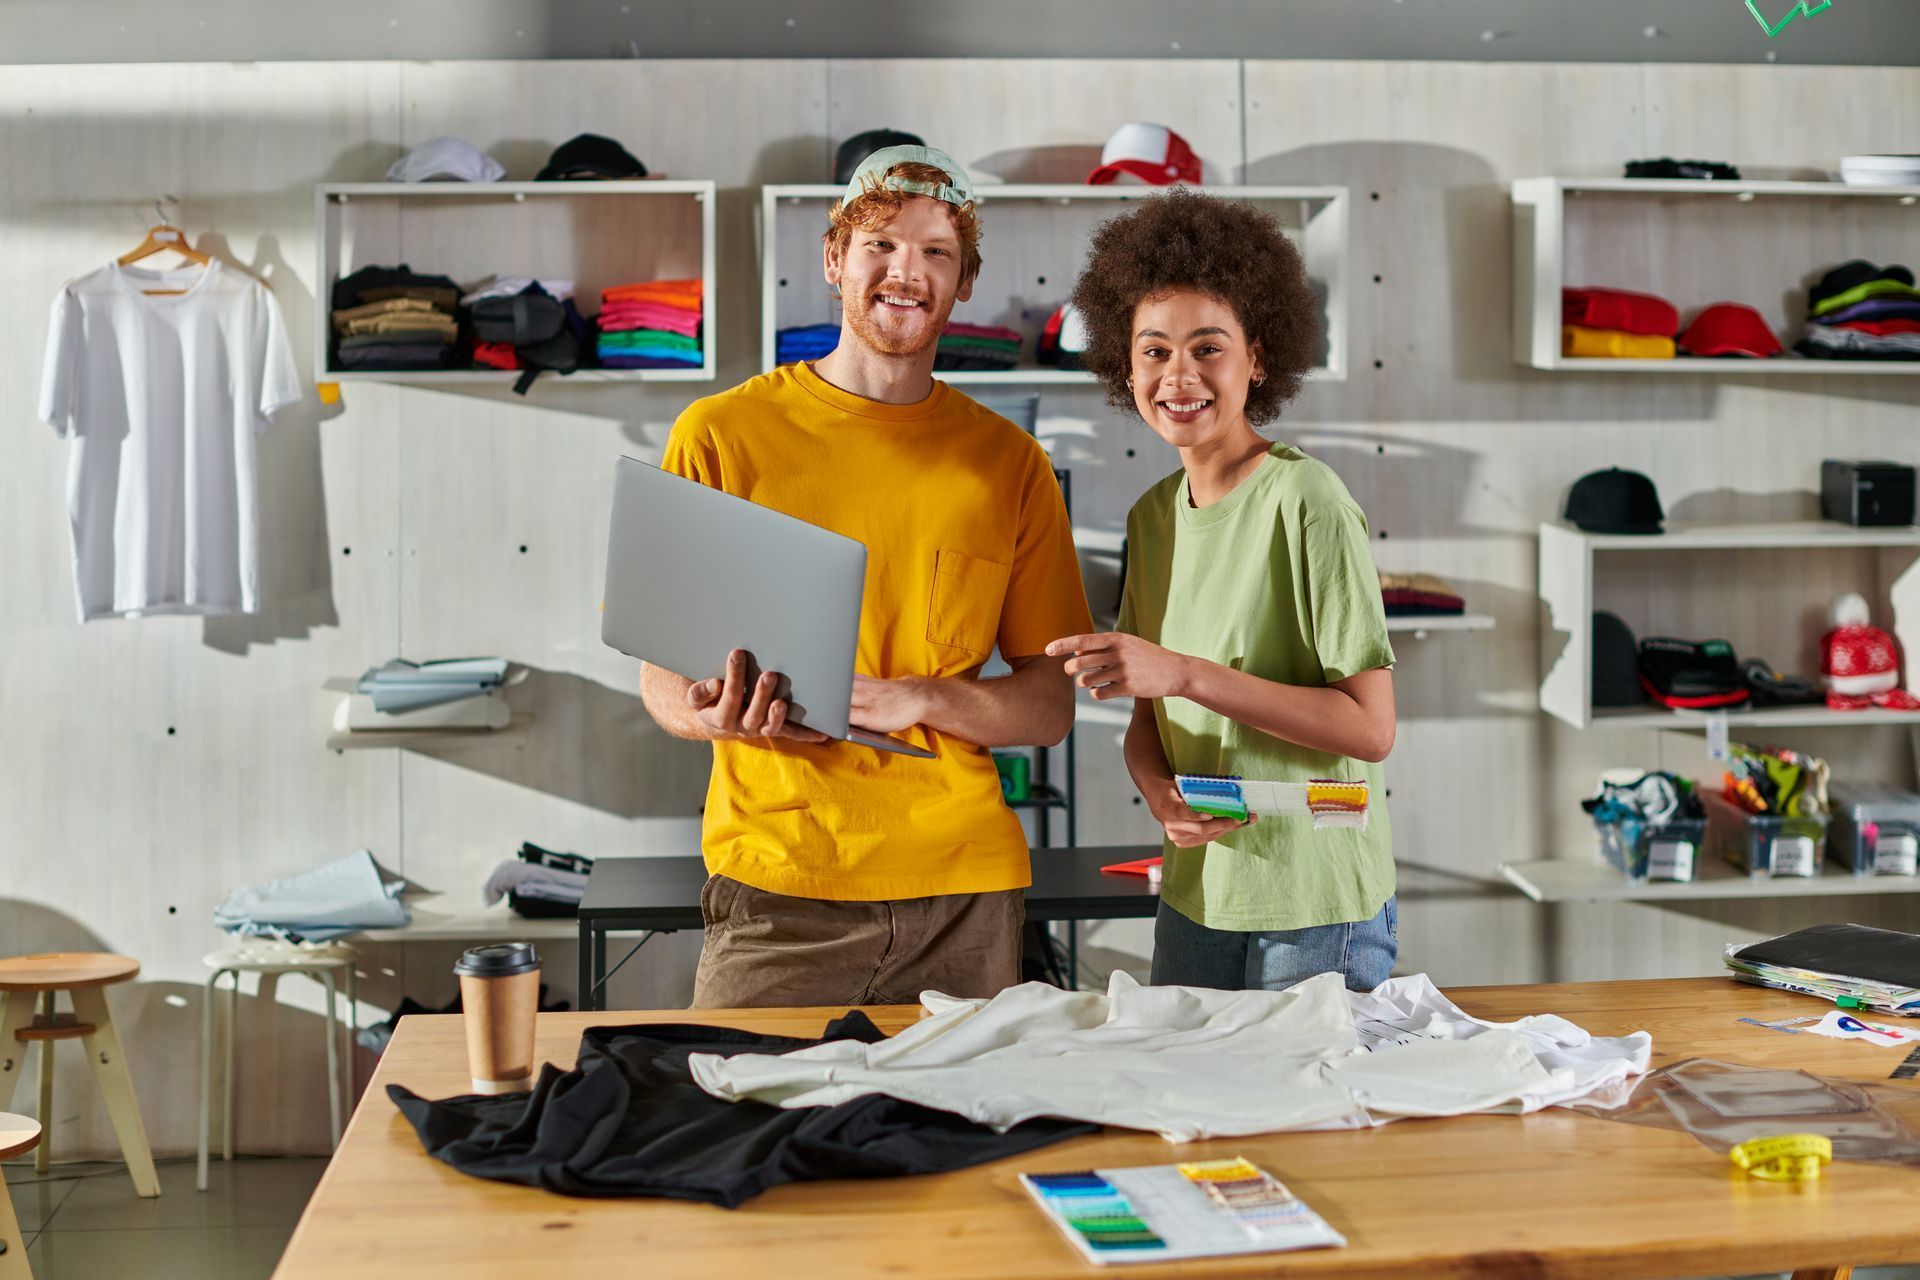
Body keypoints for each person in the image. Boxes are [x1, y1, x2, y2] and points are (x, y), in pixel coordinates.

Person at [639, 144, 1093, 1008]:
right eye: (881, 243)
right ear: (833, 259)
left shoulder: (1010, 464)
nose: (905, 272)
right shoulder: (721, 435)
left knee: (962, 1145)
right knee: (744, 1135)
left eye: (936, 253)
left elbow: (1048, 705)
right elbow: (659, 676)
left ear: (962, 285)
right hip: (779, 886)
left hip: (967, 898)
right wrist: (710, 714)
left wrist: (923, 698)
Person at [1047, 188, 1398, 993]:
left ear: (1258, 358)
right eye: (1153, 351)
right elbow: (1149, 725)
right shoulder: (1154, 518)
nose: (1179, 376)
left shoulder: (1307, 499)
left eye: (1208, 348)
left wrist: (1184, 672)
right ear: (1122, 364)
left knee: (1302, 1121)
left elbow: (1371, 731)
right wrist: (1159, 796)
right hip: (1198, 894)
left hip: (1314, 906)